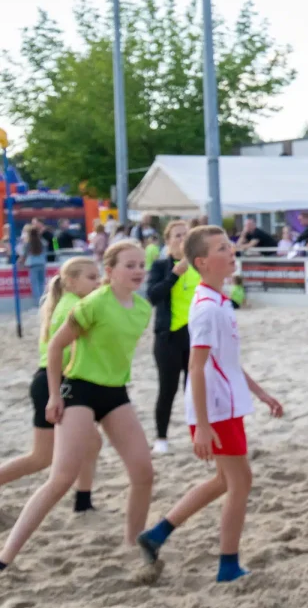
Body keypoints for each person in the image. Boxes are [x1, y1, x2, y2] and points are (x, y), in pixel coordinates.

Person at [137, 226, 284, 583]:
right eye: (222, 248)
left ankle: (157, 533)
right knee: (240, 482)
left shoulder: (220, 300)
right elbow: (196, 367)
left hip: (227, 405)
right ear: (202, 262)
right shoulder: (204, 308)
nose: (232, 252)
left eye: (231, 246)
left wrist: (260, 392)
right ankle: (228, 565)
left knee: (224, 480)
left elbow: (228, 361)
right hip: (215, 410)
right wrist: (201, 424)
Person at [0, 242, 154, 571]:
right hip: (78, 390)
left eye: (141, 264)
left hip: (115, 393)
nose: (138, 270)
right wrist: (55, 396)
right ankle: (5, 557)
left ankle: (133, 547)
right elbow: (54, 348)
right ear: (109, 272)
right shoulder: (93, 303)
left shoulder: (143, 309)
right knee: (60, 477)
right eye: (130, 265)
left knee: (143, 471)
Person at [0, 258, 102, 511]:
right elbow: (63, 353)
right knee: (41, 458)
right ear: (70, 281)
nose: (97, 282)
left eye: (98, 276)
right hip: (52, 383)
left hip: (56, 381)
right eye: (91, 277)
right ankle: (83, 500)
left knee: (92, 442)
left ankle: (83, 500)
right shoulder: (74, 307)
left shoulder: (72, 302)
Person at [146, 221, 200, 455]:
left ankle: (198, 435)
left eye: (185, 235)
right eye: (177, 235)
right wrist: (174, 274)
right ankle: (161, 438)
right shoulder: (160, 266)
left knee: (195, 388)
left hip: (196, 336)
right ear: (168, 241)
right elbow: (153, 296)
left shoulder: (200, 265)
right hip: (168, 336)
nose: (181, 239)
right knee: (167, 389)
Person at [18, 227, 48, 306]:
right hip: (42, 264)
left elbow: (24, 255)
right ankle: (43, 301)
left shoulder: (28, 243)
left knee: (35, 284)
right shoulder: (43, 242)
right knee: (41, 283)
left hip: (33, 265)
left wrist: (20, 263)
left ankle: (38, 302)